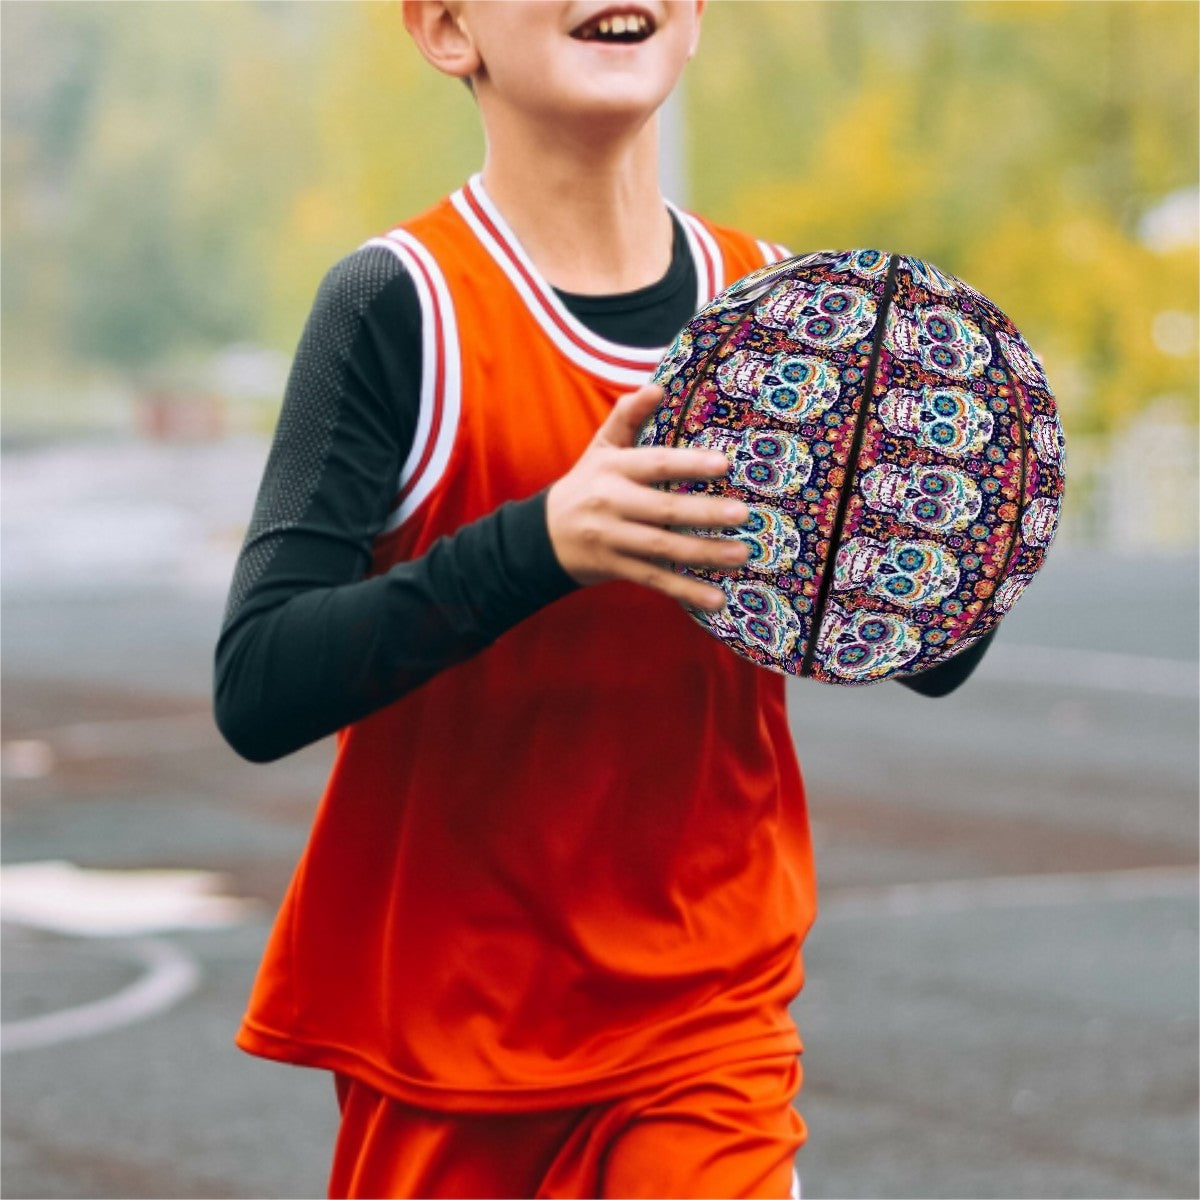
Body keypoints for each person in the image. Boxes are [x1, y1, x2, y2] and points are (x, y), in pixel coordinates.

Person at [214, 3, 991, 1195]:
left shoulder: (789, 314)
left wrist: (951, 523)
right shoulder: (398, 305)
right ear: (444, 30)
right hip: (449, 1030)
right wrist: (540, 545)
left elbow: (933, 654)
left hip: (706, 1014)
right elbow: (258, 683)